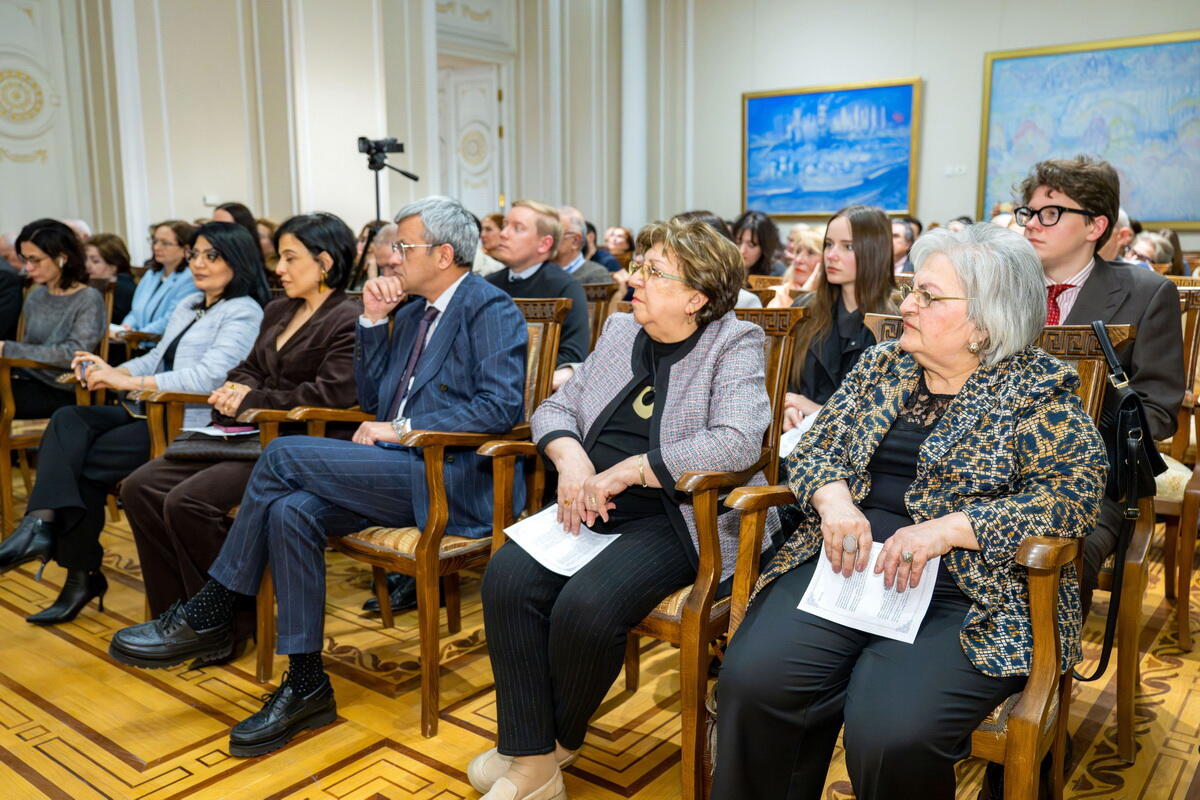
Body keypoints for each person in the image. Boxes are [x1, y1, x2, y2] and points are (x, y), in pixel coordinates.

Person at [107, 196, 528, 759]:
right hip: (400, 471)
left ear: (445, 254)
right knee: (289, 510)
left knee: (282, 457)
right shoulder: (412, 311)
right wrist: (375, 323)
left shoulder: (488, 307)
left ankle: (213, 604)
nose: (392, 257)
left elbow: (498, 408)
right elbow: (375, 399)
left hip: (450, 479)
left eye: (404, 247)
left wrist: (400, 428)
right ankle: (306, 682)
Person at [711, 224, 1109, 800]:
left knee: (891, 729)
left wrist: (951, 529)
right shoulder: (882, 366)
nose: (907, 307)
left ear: (985, 321)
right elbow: (817, 446)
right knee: (755, 682)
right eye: (911, 291)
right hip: (847, 569)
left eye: (929, 296)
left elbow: (1071, 497)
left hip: (968, 596)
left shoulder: (1035, 390)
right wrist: (836, 501)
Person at [472, 218, 777, 800]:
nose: (633, 279)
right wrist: (572, 461)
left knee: (586, 606)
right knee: (506, 579)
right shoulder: (619, 330)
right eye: (639, 266)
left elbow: (738, 439)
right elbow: (555, 408)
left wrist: (631, 469)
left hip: (677, 517)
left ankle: (546, 747)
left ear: (697, 297)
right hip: (591, 500)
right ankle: (533, 758)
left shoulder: (731, 341)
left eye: (653, 272)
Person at [119, 212, 361, 658]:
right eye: (279, 258)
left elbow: (332, 391)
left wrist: (251, 397)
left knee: (187, 501)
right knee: (140, 487)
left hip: (300, 445)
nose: (279, 269)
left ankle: (227, 622)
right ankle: (178, 611)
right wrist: (239, 387)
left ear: (324, 261)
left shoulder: (349, 315)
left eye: (289, 258)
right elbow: (244, 369)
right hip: (248, 436)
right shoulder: (278, 309)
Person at [0, 222, 267, 624]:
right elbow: (157, 356)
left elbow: (211, 378)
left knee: (78, 467)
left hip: (186, 421)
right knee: (69, 419)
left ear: (238, 261)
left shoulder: (243, 311)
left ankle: (71, 564)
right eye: (195, 254)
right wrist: (111, 368)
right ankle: (41, 528)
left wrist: (128, 381)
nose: (199, 263)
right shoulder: (192, 304)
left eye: (212, 256)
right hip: (150, 410)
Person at [1015, 155, 1183, 616]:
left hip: (1094, 481)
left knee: (1053, 553)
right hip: (991, 468)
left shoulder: (1146, 294)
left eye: (1051, 213)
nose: (1032, 225)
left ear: (1095, 226)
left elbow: (1158, 411)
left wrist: (1069, 451)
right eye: (1027, 213)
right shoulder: (1004, 289)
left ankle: (1045, 677)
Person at [782, 205, 897, 432]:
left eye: (848, 247)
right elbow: (784, 385)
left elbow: (880, 418)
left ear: (874, 251)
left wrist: (816, 409)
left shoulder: (893, 323)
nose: (831, 255)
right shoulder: (804, 310)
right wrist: (787, 406)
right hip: (794, 440)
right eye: (828, 244)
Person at [0, 219, 106, 418]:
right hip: (25, 379)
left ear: (62, 258)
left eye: (35, 260)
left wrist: (8, 349)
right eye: (25, 260)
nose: (28, 268)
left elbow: (73, 355)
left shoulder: (88, 298)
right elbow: (30, 349)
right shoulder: (36, 294)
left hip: (62, 388)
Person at [488, 199, 589, 390]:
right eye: (504, 225)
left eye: (517, 228)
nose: (503, 234)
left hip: (531, 392)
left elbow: (572, 356)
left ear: (544, 244)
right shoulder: (488, 284)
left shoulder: (565, 289)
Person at [115, 220, 198, 341]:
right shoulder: (151, 274)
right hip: (137, 341)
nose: (156, 247)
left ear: (185, 249)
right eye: (154, 241)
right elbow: (135, 311)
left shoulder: (190, 279)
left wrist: (136, 335)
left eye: (165, 243)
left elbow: (170, 320)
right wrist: (126, 327)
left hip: (161, 346)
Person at [85, 233, 137, 324]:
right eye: (85, 259)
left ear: (114, 266)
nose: (87, 266)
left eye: (95, 261)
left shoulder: (124, 288)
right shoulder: (91, 283)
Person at [554, 206, 613, 285]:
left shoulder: (596, 275)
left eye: (554, 234)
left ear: (575, 241)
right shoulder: (539, 271)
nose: (545, 240)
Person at [732, 210, 786, 277]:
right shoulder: (728, 268)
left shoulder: (776, 271)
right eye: (738, 242)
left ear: (765, 247)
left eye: (751, 245)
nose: (742, 251)